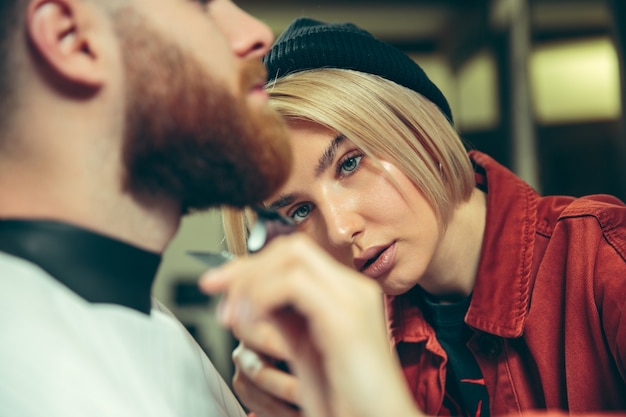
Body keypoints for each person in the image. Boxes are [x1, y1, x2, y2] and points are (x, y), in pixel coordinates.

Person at [200, 17, 626, 417]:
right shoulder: (356, 332)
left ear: (419, 131)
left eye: (349, 164)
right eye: (299, 210)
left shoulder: (605, 258)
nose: (341, 229)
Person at [0, 0, 293, 415]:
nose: (257, 32)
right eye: (203, 5)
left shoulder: (149, 325)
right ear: (72, 38)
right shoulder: (29, 374)